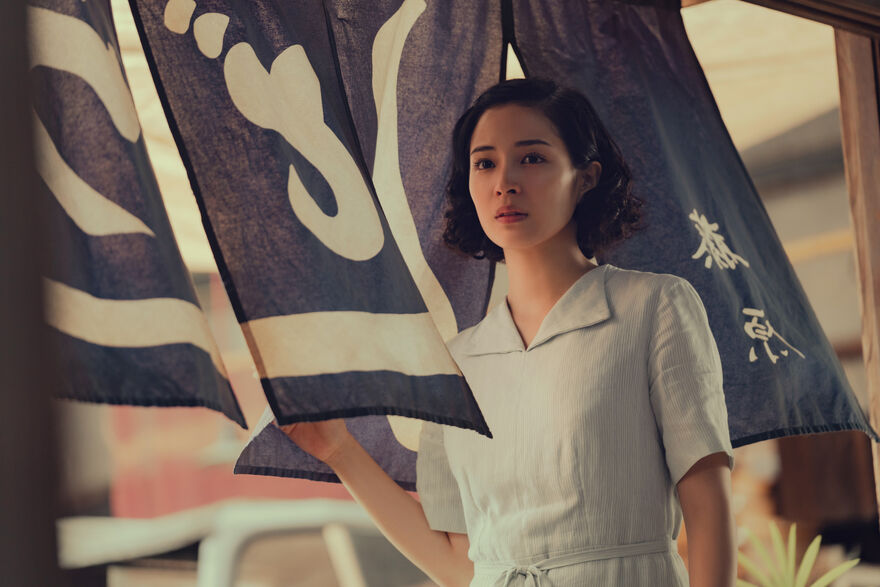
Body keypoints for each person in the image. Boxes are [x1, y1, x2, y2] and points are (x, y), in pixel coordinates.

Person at [279, 77, 736, 587]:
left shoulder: (653, 307)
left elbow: (708, 502)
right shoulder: (459, 362)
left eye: (532, 158)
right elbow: (458, 562)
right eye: (485, 163)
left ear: (586, 177)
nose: (505, 182)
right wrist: (340, 453)